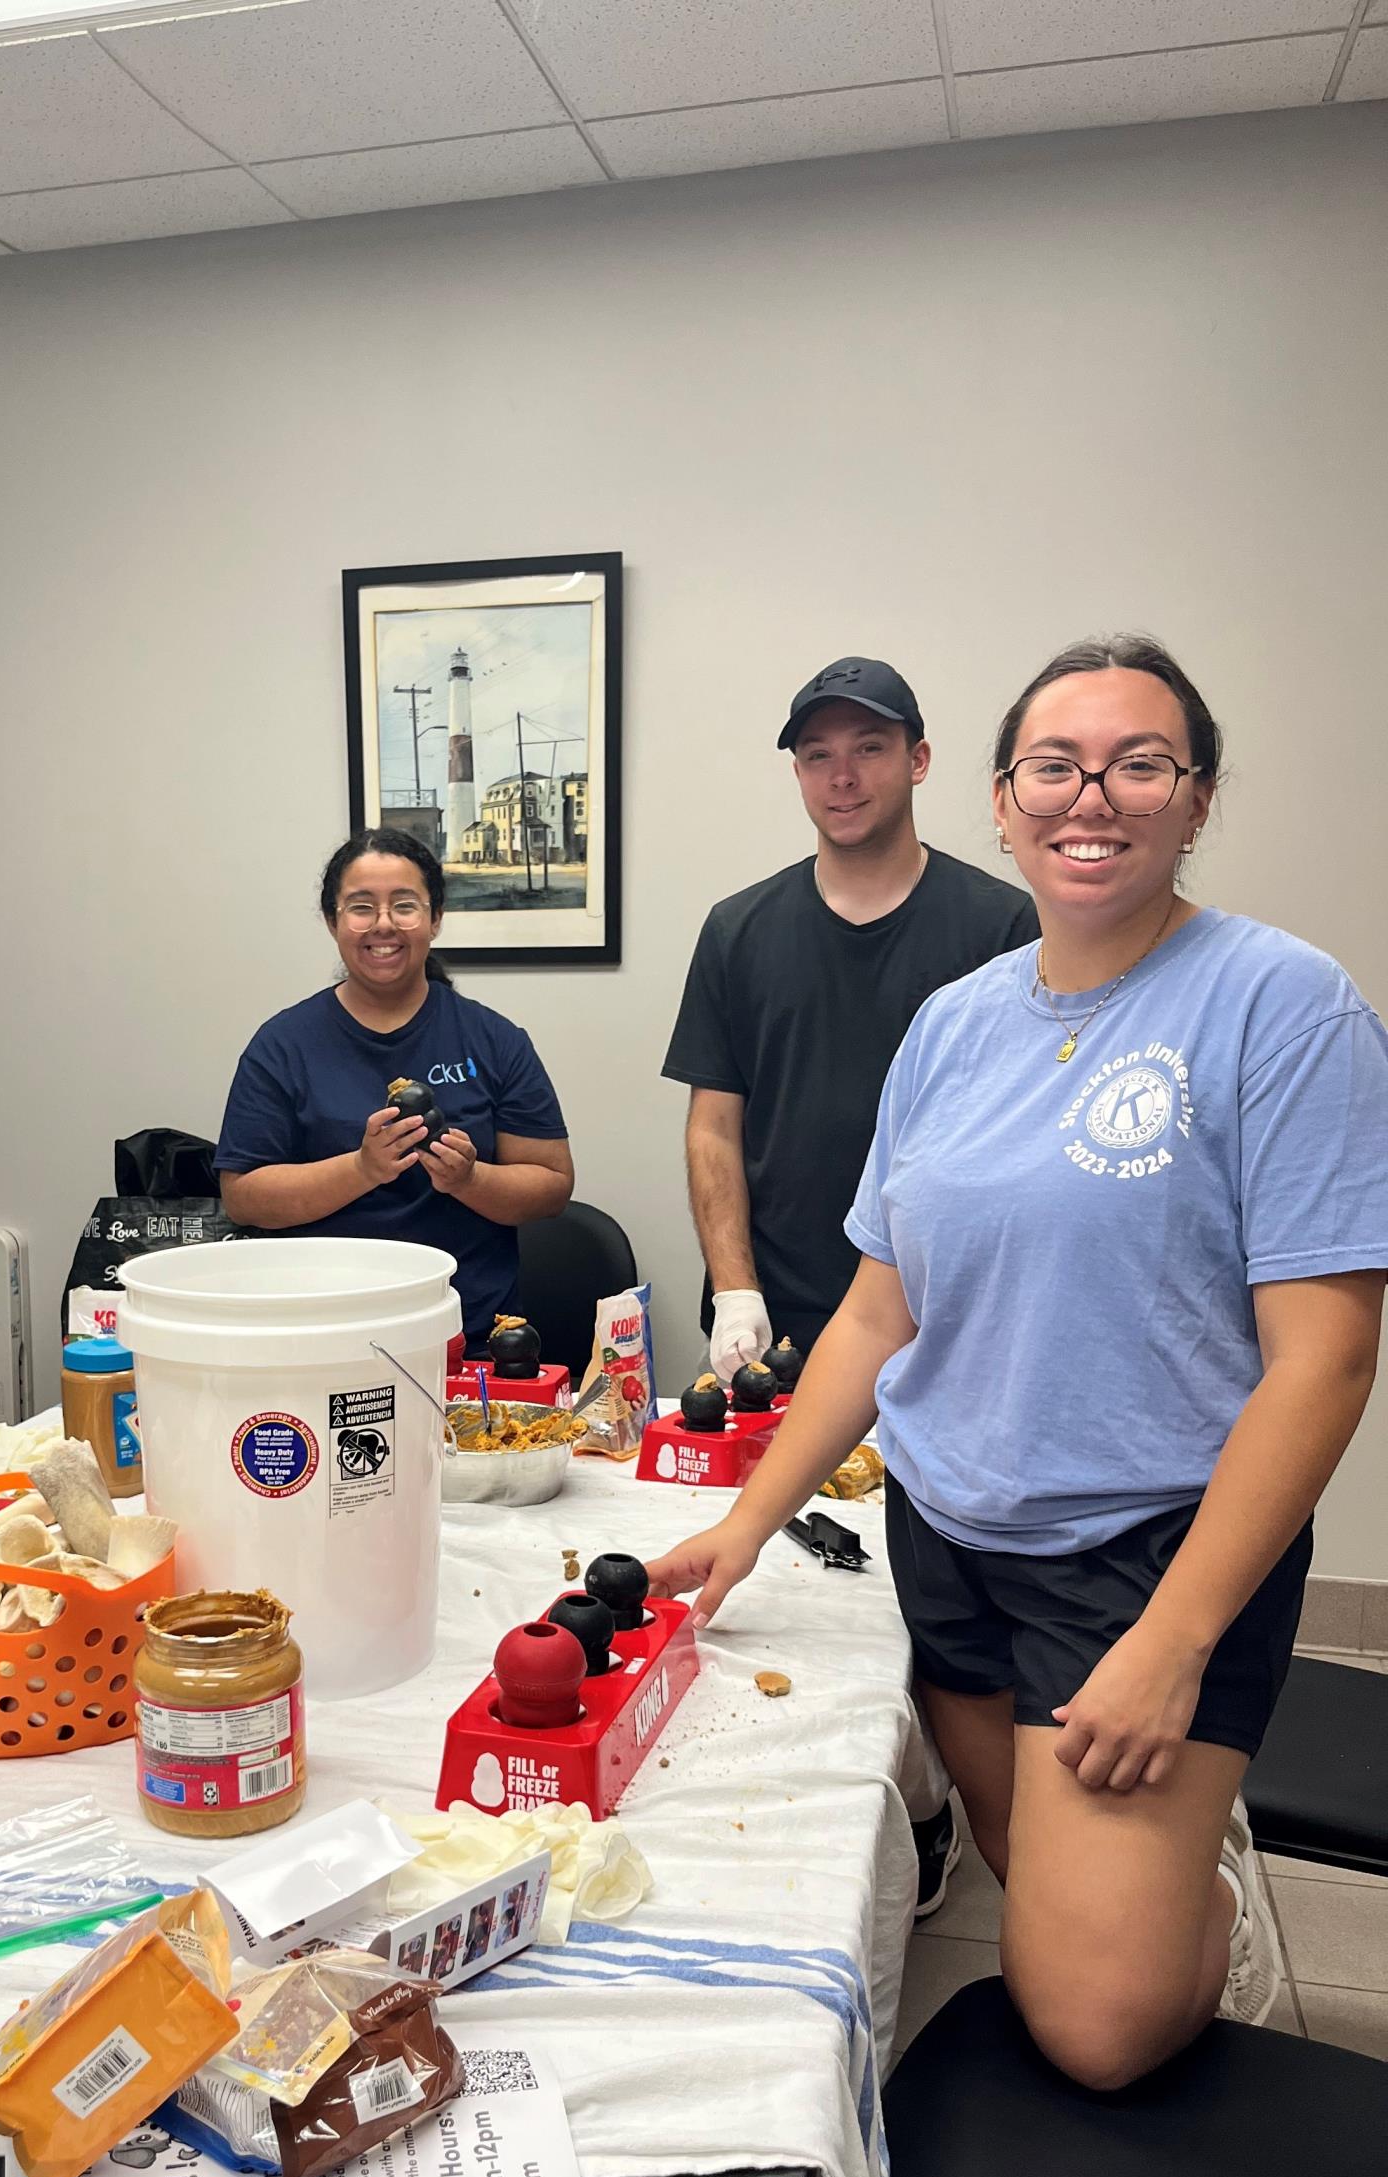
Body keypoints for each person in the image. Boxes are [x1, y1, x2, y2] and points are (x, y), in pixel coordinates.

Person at [646, 635, 1388, 2089]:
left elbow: (1329, 1362)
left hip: (1141, 1549)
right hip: (950, 1531)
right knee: (1011, 1858)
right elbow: (877, 1313)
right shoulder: (955, 1027)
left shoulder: (1283, 1006)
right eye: (1056, 764)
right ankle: (1134, 1881)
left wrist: (1171, 1645)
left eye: (1138, 762)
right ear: (1001, 797)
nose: (1090, 795)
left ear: (1196, 797)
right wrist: (746, 1521)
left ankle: (1205, 1904)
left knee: (1094, 2027)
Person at [664, 656, 1036, 1372]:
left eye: (869, 748)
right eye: (818, 756)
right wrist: (736, 1291)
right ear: (798, 774)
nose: (843, 777)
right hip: (782, 1320)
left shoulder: (1003, 928)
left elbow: (1021, 1141)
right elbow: (713, 1128)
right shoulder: (737, 930)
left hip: (943, 1318)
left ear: (918, 759)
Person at [216, 829, 573, 1346]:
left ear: (435, 918)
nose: (383, 924)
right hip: (323, 1335)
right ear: (333, 921)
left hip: (469, 1338)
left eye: (404, 905)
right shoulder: (283, 1046)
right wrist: (362, 1169)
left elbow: (552, 1185)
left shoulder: (494, 1040)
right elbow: (244, 1197)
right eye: (361, 907)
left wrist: (469, 1180)